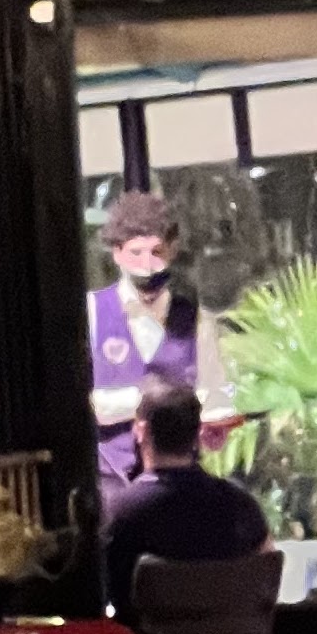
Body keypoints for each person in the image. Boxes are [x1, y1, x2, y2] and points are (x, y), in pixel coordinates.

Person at [87, 192, 231, 505]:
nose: (147, 265)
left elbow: (214, 394)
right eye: (136, 253)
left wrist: (215, 424)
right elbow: (86, 404)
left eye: (156, 252)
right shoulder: (93, 313)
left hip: (179, 484)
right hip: (111, 482)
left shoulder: (196, 319)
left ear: (172, 250)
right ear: (117, 253)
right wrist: (152, 401)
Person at [103, 379, 269, 618]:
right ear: (197, 434)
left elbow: (100, 588)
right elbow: (268, 567)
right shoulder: (240, 505)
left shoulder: (119, 513)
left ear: (141, 430)